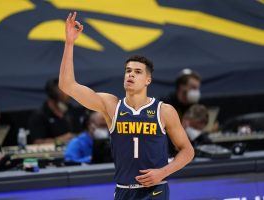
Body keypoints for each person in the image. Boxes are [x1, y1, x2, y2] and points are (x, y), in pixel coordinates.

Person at [59, 12, 194, 200]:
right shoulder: (111, 105)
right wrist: (69, 43)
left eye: (137, 72)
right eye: (128, 71)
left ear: (148, 80)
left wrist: (163, 172)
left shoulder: (163, 111)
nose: (130, 75)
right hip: (123, 190)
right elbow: (67, 86)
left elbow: (187, 151)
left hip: (155, 190)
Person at [28, 78, 84, 144]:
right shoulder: (39, 115)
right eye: (64, 90)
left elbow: (80, 133)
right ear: (54, 93)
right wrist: (59, 140)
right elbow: (37, 142)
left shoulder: (70, 110)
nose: (68, 94)